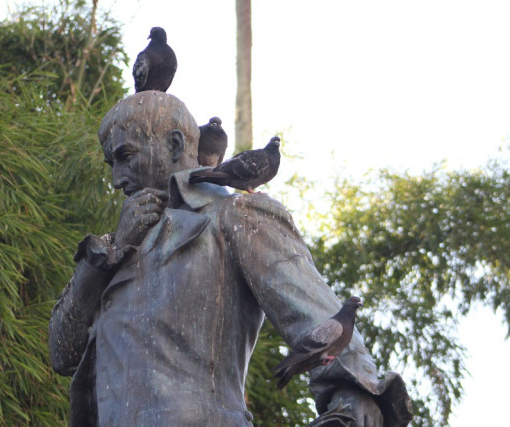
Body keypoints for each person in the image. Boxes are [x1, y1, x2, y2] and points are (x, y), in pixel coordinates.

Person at [49, 91, 412, 426]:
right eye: (111, 162)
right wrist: (111, 253)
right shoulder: (108, 256)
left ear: (175, 144)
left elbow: (320, 318)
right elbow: (61, 354)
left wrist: (355, 393)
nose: (115, 179)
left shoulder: (234, 215)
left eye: (126, 156)